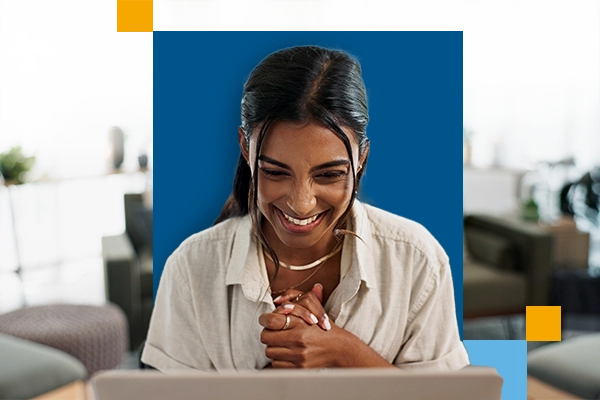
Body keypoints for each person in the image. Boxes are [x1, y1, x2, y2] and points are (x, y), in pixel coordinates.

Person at [141, 45, 469, 371]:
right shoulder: (192, 267)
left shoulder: (416, 259)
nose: (301, 203)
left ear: (361, 159)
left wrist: (343, 351)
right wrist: (280, 378)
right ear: (245, 148)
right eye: (275, 172)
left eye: (329, 174)